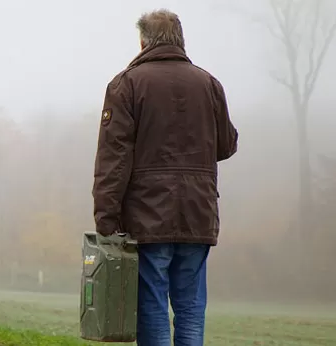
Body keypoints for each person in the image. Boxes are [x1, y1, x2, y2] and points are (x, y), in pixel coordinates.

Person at [92, 9, 238, 346]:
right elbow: (226, 145)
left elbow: (113, 158)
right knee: (190, 308)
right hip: (198, 214)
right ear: (180, 40)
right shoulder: (209, 83)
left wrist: (106, 217)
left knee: (153, 306)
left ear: (143, 41)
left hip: (148, 217)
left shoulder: (126, 84)